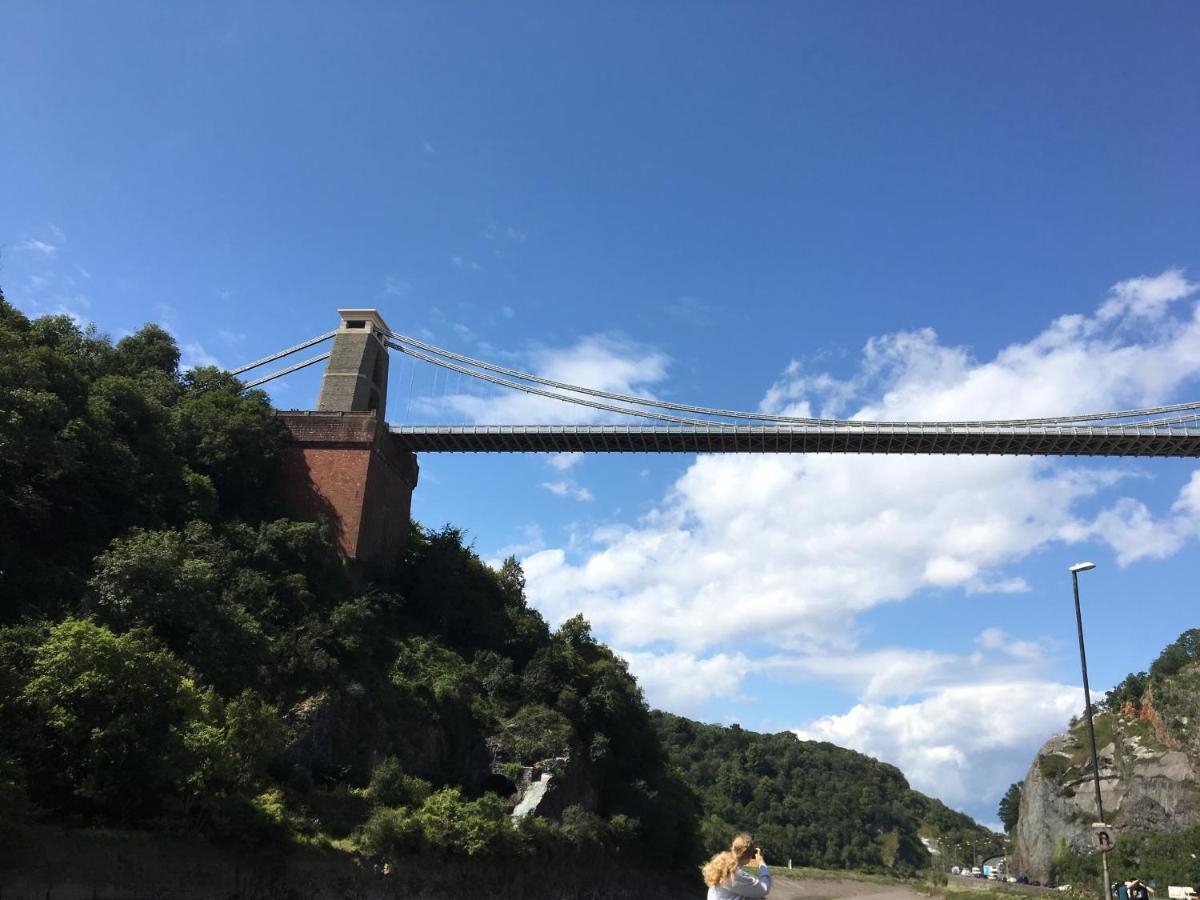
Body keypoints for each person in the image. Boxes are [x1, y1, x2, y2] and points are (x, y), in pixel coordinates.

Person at [702, 832, 772, 899]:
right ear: (749, 856)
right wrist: (761, 862)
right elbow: (764, 889)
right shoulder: (735, 874)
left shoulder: (721, 864)